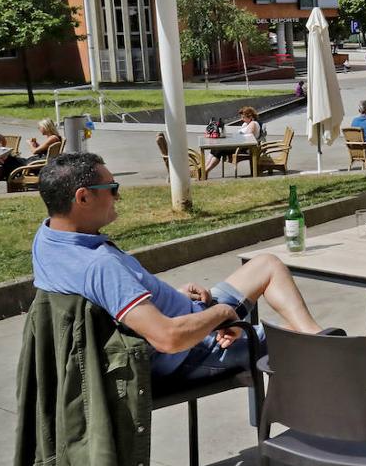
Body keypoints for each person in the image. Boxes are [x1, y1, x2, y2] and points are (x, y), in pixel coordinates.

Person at [31, 153, 323, 382]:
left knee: (266, 264)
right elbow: (168, 339)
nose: (118, 196)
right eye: (112, 188)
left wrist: (173, 296)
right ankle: (327, 352)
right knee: (301, 340)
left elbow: (119, 301)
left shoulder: (48, 240)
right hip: (192, 349)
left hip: (187, 317)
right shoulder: (99, 265)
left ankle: (317, 337)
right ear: (83, 197)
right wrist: (222, 314)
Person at [203, 106, 263, 176]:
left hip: (245, 148)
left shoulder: (253, 124)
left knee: (218, 150)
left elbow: (249, 138)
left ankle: (206, 171)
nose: (242, 119)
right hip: (239, 145)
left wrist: (237, 138)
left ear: (250, 117)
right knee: (214, 149)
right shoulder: (245, 124)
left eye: (243, 117)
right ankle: (203, 169)